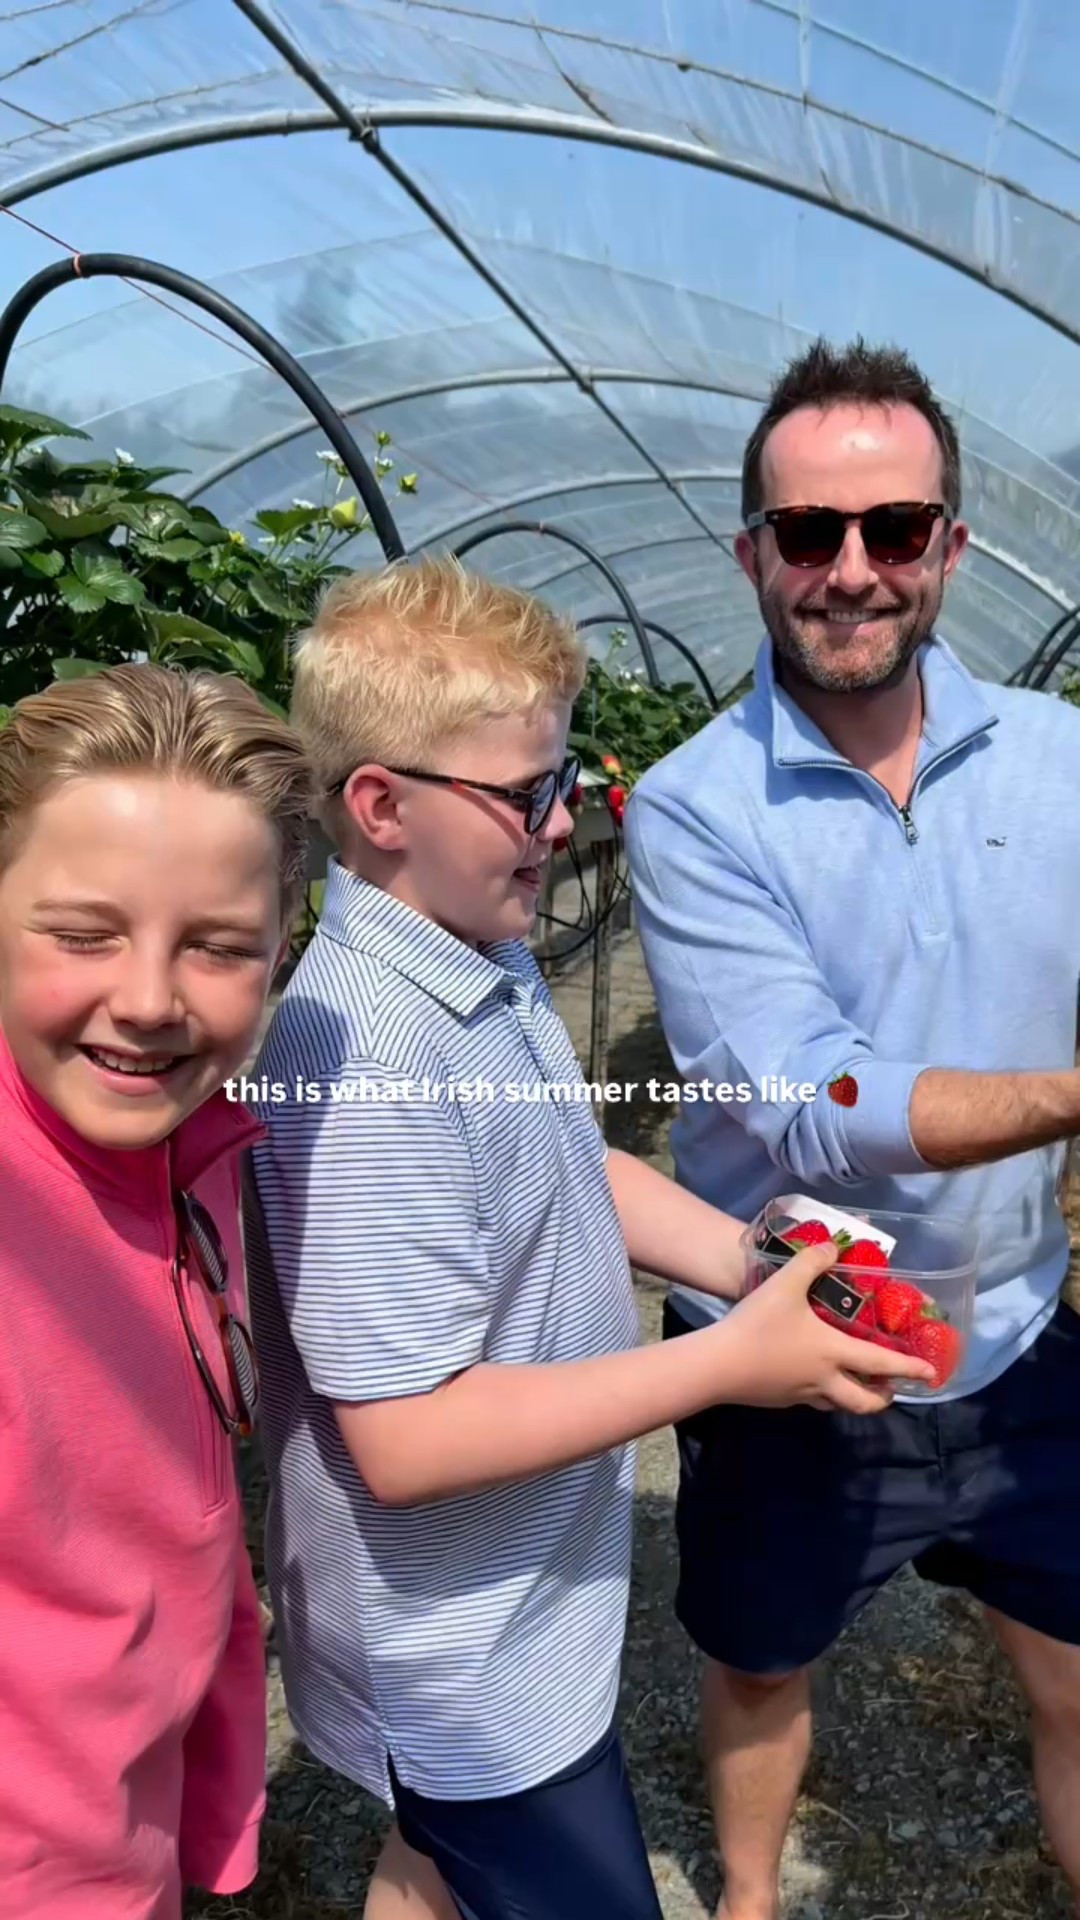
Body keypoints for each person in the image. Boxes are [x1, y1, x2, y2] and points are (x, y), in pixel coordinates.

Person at [239, 556, 932, 1920]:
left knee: (433, 1868)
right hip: (465, 1664)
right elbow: (409, 1437)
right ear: (379, 806)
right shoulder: (368, 1059)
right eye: (527, 793)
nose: (563, 827)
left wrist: (750, 1264)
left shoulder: (474, 960)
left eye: (568, 783)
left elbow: (573, 1167)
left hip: (516, 1614)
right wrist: (729, 1365)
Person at [623, 335, 1080, 1920]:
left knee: (1075, 1657)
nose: (853, 571)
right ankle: (748, 1899)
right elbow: (810, 1107)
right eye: (809, 535)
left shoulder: (1062, 761)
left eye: (895, 530)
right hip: (786, 1337)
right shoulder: (691, 807)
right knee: (762, 1661)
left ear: (953, 543)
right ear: (753, 552)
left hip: (1017, 1332)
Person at [0, 662, 313, 1917]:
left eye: (219, 949)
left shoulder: (185, 1140)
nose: (144, 1002)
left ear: (283, 949)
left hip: (133, 1786)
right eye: (82, 934)